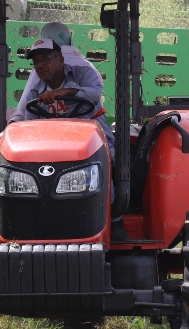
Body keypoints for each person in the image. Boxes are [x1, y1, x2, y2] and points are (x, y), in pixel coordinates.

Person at [9, 37, 125, 240]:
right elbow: (29, 124)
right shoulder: (35, 91)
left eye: (45, 59)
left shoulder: (83, 73)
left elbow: (94, 94)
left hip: (94, 142)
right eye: (36, 62)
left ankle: (114, 221)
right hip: (54, 147)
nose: (40, 66)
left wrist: (64, 92)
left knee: (105, 162)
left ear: (61, 60)